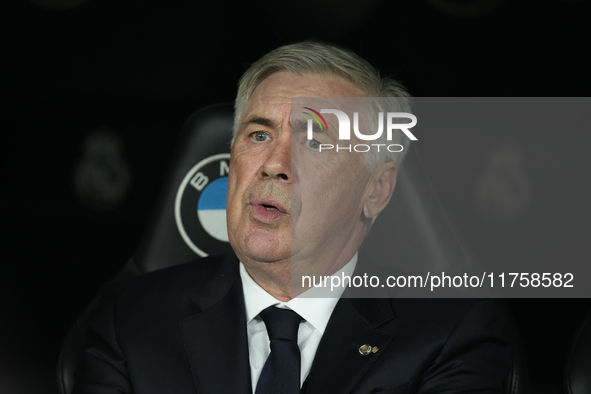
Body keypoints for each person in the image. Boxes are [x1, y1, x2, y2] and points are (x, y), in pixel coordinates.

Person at [73, 41, 510, 393]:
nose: (274, 162)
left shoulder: (451, 334)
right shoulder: (129, 321)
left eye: (316, 142)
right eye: (259, 134)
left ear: (376, 190)